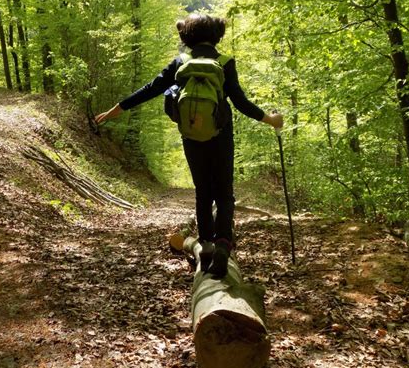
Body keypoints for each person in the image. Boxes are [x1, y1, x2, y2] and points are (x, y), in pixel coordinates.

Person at [95, 14, 283, 278]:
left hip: (191, 136)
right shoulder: (225, 63)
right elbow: (240, 102)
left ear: (188, 38)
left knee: (203, 191)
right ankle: (223, 245)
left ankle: (205, 245)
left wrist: (117, 108)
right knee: (224, 193)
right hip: (221, 134)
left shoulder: (181, 62)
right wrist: (270, 119)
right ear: (217, 36)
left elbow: (151, 88)